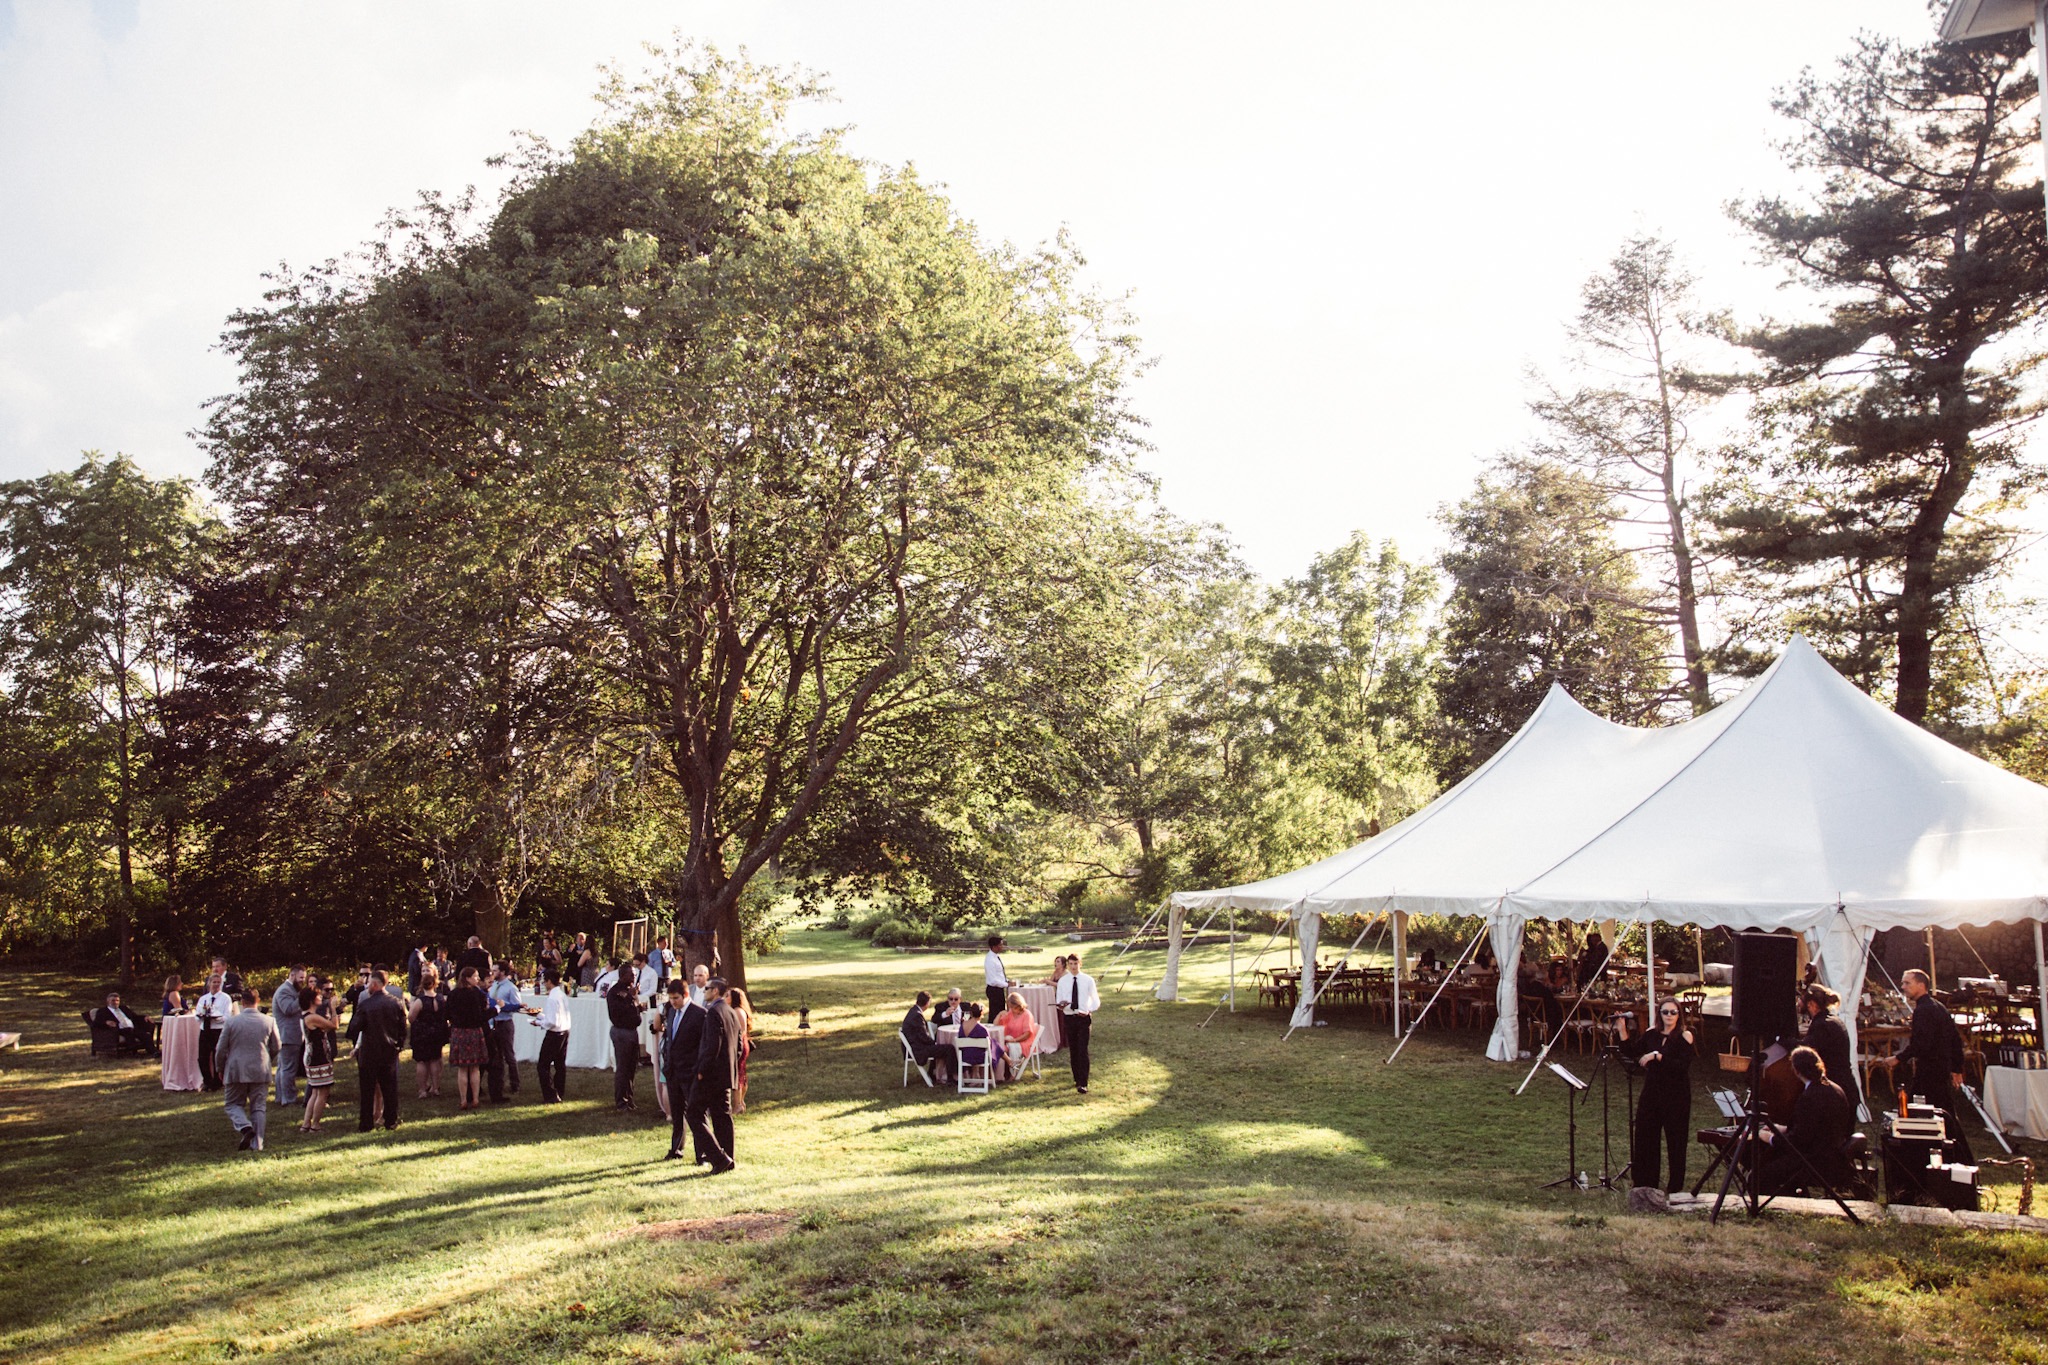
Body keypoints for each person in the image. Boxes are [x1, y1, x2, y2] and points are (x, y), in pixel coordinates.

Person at [1616, 999, 1695, 1193]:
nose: (1669, 1016)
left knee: (1676, 1142)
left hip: (1676, 1096)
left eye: (1673, 1013)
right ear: (1660, 1014)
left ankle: (1675, 1187)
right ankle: (1646, 1184)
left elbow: (1681, 1066)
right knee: (1645, 1137)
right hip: (1652, 1093)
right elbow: (1632, 1052)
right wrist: (1622, 1030)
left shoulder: (1685, 1036)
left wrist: (1657, 1056)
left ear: (1679, 1015)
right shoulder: (1651, 1034)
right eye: (1665, 1012)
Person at [1758, 1045, 1857, 1195]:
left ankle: (1781, 1205)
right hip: (1833, 1155)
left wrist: (1771, 1138)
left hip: (1815, 1161)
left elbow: (1798, 1141)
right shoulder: (1836, 1089)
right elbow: (1815, 1126)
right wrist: (1782, 1128)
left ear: (1796, 1071)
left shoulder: (1810, 1096)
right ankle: (1795, 1196)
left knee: (1761, 1175)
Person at [1895, 967, 1973, 1160]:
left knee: (1940, 1115)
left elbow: (1922, 1044)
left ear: (1921, 986)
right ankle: (1916, 1152)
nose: (1903, 987)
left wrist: (1899, 1058)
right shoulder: (1937, 1007)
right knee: (1934, 1113)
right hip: (1937, 1069)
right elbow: (1955, 1040)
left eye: (1907, 983)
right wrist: (1955, 1068)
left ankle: (1956, 1157)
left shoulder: (1925, 1010)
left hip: (1931, 1071)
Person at [686, 977, 740, 1173]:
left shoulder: (713, 1013)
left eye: (707, 988)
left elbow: (712, 1046)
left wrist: (702, 1071)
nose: (704, 991)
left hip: (710, 1075)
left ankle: (718, 1157)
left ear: (716, 991)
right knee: (722, 1116)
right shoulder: (731, 1012)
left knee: (693, 1113)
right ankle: (728, 1158)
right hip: (726, 1074)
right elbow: (739, 1046)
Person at [214, 987, 279, 1152]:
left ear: (242, 1002)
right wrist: (266, 1059)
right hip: (260, 1068)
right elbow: (277, 1046)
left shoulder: (231, 1022)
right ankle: (258, 1144)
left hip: (236, 1069)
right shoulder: (269, 1021)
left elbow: (220, 1049)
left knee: (232, 1104)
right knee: (258, 1107)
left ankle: (245, 1127)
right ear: (258, 1001)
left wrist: (220, 1067)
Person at [346, 970, 407, 1132]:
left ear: (374, 984)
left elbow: (353, 1029)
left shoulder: (365, 1005)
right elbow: (403, 1029)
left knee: (367, 1090)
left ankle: (366, 1123)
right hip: (389, 1051)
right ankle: (391, 1120)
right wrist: (399, 1046)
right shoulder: (396, 1003)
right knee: (390, 1089)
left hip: (369, 1052)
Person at [660, 979, 708, 1162]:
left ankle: (702, 1153)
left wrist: (698, 1069)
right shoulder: (671, 1012)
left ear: (686, 995)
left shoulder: (699, 1014)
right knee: (677, 1113)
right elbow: (669, 1039)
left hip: (691, 1072)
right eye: (671, 998)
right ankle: (676, 1149)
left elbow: (703, 1045)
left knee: (696, 1114)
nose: (673, 1002)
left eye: (676, 998)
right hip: (673, 1072)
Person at [1799, 984, 1861, 1116]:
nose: (1798, 1003)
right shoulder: (1833, 1020)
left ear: (1811, 1004)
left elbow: (1805, 1050)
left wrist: (1783, 1040)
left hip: (1836, 1094)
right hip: (1845, 1089)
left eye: (1801, 1000)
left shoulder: (1822, 1025)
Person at [445, 966, 491, 1111]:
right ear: (467, 978)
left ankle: (464, 1099)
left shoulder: (453, 994)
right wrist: (496, 1010)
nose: (478, 979)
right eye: (475, 976)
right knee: (475, 1068)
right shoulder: (477, 995)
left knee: (463, 1069)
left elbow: (446, 1014)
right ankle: (475, 1099)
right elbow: (482, 1016)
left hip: (459, 1032)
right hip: (474, 1032)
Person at [299, 976, 340, 1132]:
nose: (321, 997)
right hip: (318, 1056)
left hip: (311, 1055)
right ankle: (315, 1124)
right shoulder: (313, 1017)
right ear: (311, 1000)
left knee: (315, 1091)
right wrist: (333, 1007)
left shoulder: (305, 1016)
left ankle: (306, 1124)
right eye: (318, 996)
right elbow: (334, 1026)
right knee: (323, 1091)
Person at [1058, 953, 1100, 1095]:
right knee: (1074, 1050)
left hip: (1083, 1018)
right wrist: (1062, 1006)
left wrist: (1088, 1010)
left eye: (1076, 964)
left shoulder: (1088, 980)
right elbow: (1059, 1000)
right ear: (1067, 965)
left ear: (1080, 964)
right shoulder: (1063, 981)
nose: (1073, 967)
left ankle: (1083, 1082)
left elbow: (1095, 1000)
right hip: (1070, 1018)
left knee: (1083, 1050)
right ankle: (1076, 1078)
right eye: (1071, 964)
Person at [486, 962, 528, 1101]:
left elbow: (517, 1007)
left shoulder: (511, 988)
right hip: (494, 1022)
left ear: (503, 972)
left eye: (495, 970)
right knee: (496, 1055)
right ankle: (499, 1083)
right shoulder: (494, 986)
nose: (492, 973)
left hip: (505, 1023)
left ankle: (515, 1084)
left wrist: (502, 1006)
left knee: (509, 1054)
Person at [606, 964, 644, 1111]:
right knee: (623, 1068)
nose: (634, 977)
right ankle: (621, 1101)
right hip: (622, 1032)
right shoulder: (615, 992)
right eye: (631, 975)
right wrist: (631, 998)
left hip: (632, 1031)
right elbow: (618, 1013)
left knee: (631, 1068)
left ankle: (629, 1098)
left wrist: (638, 1005)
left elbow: (633, 1010)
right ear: (622, 976)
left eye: (635, 975)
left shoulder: (630, 991)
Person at [409, 967, 448, 1099]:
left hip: (422, 1033)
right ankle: (435, 1087)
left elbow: (411, 1018)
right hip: (437, 1032)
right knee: (435, 1060)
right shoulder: (441, 999)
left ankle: (422, 1090)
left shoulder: (420, 1001)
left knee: (421, 1061)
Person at [272, 965, 308, 1109]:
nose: (302, 981)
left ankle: (281, 1097)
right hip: (288, 1035)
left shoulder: (291, 989)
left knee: (283, 1068)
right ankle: (289, 1099)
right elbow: (288, 1009)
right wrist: (303, 998)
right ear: (292, 976)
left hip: (290, 1034)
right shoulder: (284, 990)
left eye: (304, 979)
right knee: (288, 1069)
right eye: (301, 978)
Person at [536, 968, 572, 1103]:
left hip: (554, 1034)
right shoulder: (561, 994)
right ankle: (559, 1090)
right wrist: (539, 1016)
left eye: (544, 982)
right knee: (560, 1064)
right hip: (565, 1031)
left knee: (543, 1065)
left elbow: (551, 1021)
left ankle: (551, 1095)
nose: (544, 984)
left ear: (549, 982)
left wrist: (539, 1023)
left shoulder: (552, 997)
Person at [900, 990, 951, 1084]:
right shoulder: (917, 1016)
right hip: (918, 1049)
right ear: (927, 1003)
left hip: (915, 1045)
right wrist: (935, 1043)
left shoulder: (913, 1011)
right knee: (949, 1049)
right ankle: (951, 1078)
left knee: (943, 1048)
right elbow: (923, 1037)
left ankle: (935, 1073)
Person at [194, 974, 232, 1090]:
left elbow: (227, 1016)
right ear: (209, 984)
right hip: (205, 1029)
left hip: (218, 1030)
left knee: (217, 1055)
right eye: (214, 982)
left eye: (218, 982)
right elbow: (197, 1016)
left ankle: (217, 1081)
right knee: (202, 1057)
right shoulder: (203, 999)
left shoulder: (226, 998)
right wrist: (202, 1016)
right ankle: (207, 1081)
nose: (216, 985)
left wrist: (217, 1018)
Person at [995, 990, 1041, 1082]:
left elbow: (1027, 1034)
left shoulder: (1027, 1015)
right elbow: (996, 1025)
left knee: (1007, 1047)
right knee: (998, 1046)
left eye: (1013, 1007)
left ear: (1019, 1005)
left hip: (1024, 1042)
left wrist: (1015, 1040)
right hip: (1012, 1039)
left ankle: (1012, 1073)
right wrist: (999, 1014)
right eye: (1010, 1007)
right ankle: (999, 1074)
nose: (1011, 1009)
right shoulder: (1011, 1013)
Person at [1517, 954, 1565, 1040]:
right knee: (1561, 1011)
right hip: (1545, 1015)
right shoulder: (1542, 990)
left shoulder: (1529, 988)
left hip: (1534, 1015)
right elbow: (1553, 1003)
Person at [727, 986, 755, 1113]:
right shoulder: (738, 1010)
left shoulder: (737, 1011)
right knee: (742, 1073)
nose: (725, 998)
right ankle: (741, 1102)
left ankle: (738, 1104)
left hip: (740, 1044)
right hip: (742, 1043)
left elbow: (739, 1031)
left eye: (728, 995)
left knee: (738, 1074)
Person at [955, 1001, 992, 1081]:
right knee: (995, 1047)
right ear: (981, 1014)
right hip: (979, 1058)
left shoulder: (963, 1025)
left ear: (970, 1013)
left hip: (964, 1057)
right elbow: (989, 1045)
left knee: (974, 1049)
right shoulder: (982, 1029)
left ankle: (974, 1075)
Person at [983, 935, 1012, 1023]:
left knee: (1001, 1011)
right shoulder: (990, 960)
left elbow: (999, 974)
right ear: (995, 946)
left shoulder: (996, 957)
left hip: (999, 989)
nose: (1002, 947)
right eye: (1001, 945)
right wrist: (1007, 984)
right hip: (994, 989)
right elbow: (993, 980)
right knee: (995, 1013)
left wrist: (1006, 981)